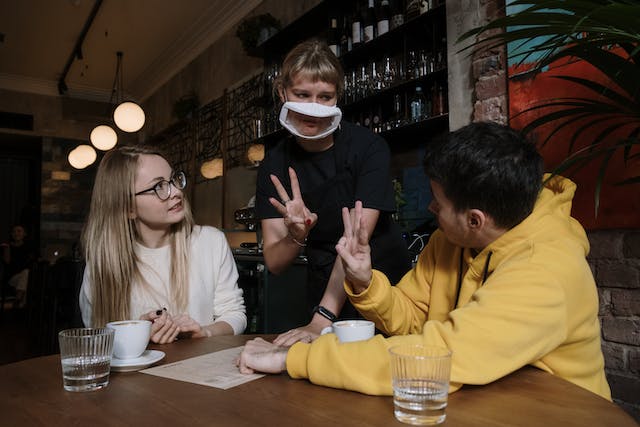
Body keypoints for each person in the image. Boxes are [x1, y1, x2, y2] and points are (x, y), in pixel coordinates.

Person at [239, 122, 612, 400]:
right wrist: (366, 282)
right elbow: (412, 318)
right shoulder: (450, 240)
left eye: (438, 201)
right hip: (483, 405)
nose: (430, 208)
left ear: (475, 219)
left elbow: (435, 359)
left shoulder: (545, 270)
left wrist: (294, 359)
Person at [255, 39, 411, 345]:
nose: (313, 107)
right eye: (302, 95)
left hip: (381, 282)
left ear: (337, 97)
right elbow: (275, 261)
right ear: (282, 92)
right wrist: (296, 235)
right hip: (325, 285)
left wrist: (321, 319)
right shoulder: (274, 164)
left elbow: (354, 240)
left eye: (324, 97)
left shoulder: (368, 148)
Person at [79, 146, 246, 343]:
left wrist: (204, 332)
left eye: (173, 180)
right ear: (128, 208)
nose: (176, 191)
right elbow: (97, 340)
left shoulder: (211, 242)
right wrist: (137, 334)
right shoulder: (103, 264)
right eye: (158, 187)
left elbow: (235, 315)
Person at [1, 224, 35, 308]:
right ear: (11, 234)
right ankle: (19, 299)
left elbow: (33, 261)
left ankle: (19, 305)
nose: (16, 233)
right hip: (12, 278)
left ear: (24, 234)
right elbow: (7, 263)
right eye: (14, 232)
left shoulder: (29, 247)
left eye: (19, 231)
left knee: (26, 277)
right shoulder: (7, 246)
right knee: (26, 274)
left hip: (26, 277)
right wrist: (7, 250)